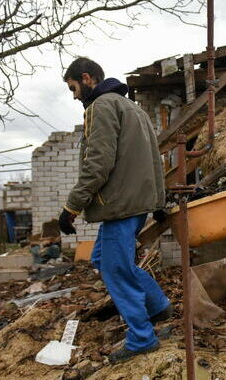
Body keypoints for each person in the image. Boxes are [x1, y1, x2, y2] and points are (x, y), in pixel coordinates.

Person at [58, 57, 172, 363]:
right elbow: (154, 158)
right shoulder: (134, 108)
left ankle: (141, 337)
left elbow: (98, 164)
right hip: (137, 204)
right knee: (104, 258)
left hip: (120, 206)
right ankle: (157, 307)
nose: (74, 96)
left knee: (114, 269)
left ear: (86, 78)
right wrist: (158, 202)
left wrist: (71, 206)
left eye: (73, 88)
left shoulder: (101, 107)